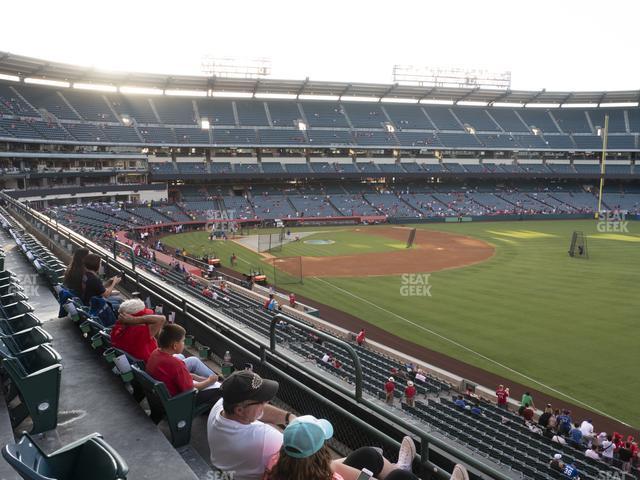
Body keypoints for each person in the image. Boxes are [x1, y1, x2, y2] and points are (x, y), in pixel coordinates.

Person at [263, 415, 428, 480]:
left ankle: (402, 468)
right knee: (399, 477)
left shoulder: (275, 463)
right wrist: (367, 477)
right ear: (321, 453)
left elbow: (331, 466)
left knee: (368, 456)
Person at [207, 371, 293, 480]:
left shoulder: (220, 406)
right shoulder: (264, 437)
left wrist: (288, 417)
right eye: (260, 401)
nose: (266, 402)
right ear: (239, 410)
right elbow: (302, 451)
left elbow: (258, 411)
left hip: (222, 470)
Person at [146, 324, 220, 408]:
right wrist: (209, 381)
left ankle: (215, 381)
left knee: (193, 360)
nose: (184, 343)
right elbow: (190, 390)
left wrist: (194, 376)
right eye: (183, 341)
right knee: (220, 391)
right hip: (178, 402)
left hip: (162, 396)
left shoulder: (155, 352)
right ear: (175, 345)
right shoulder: (176, 364)